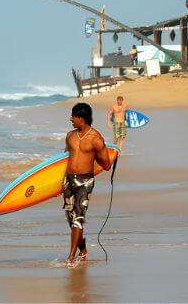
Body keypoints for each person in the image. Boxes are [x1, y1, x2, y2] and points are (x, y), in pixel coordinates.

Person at [63, 102, 111, 265]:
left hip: (85, 182)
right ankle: (82, 247)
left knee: (78, 219)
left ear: (81, 119)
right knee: (71, 219)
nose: (71, 119)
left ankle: (71, 256)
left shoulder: (96, 139)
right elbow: (63, 160)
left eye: (73, 116)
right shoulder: (70, 135)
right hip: (68, 181)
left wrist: (102, 157)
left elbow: (106, 165)